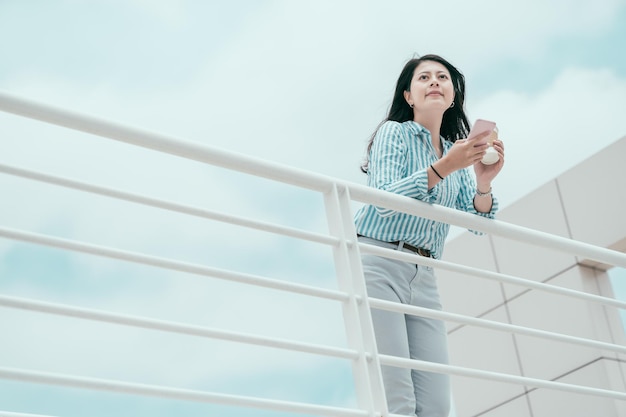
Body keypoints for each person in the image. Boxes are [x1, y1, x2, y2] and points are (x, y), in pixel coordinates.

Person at [354, 54, 505, 416]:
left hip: (424, 275)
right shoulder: (396, 132)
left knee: (436, 404)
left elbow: (476, 224)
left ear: (452, 96)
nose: (434, 81)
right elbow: (385, 201)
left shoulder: (457, 151)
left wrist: (482, 184)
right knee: (399, 399)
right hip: (379, 261)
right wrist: (444, 167)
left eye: (442, 77)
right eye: (424, 78)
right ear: (409, 96)